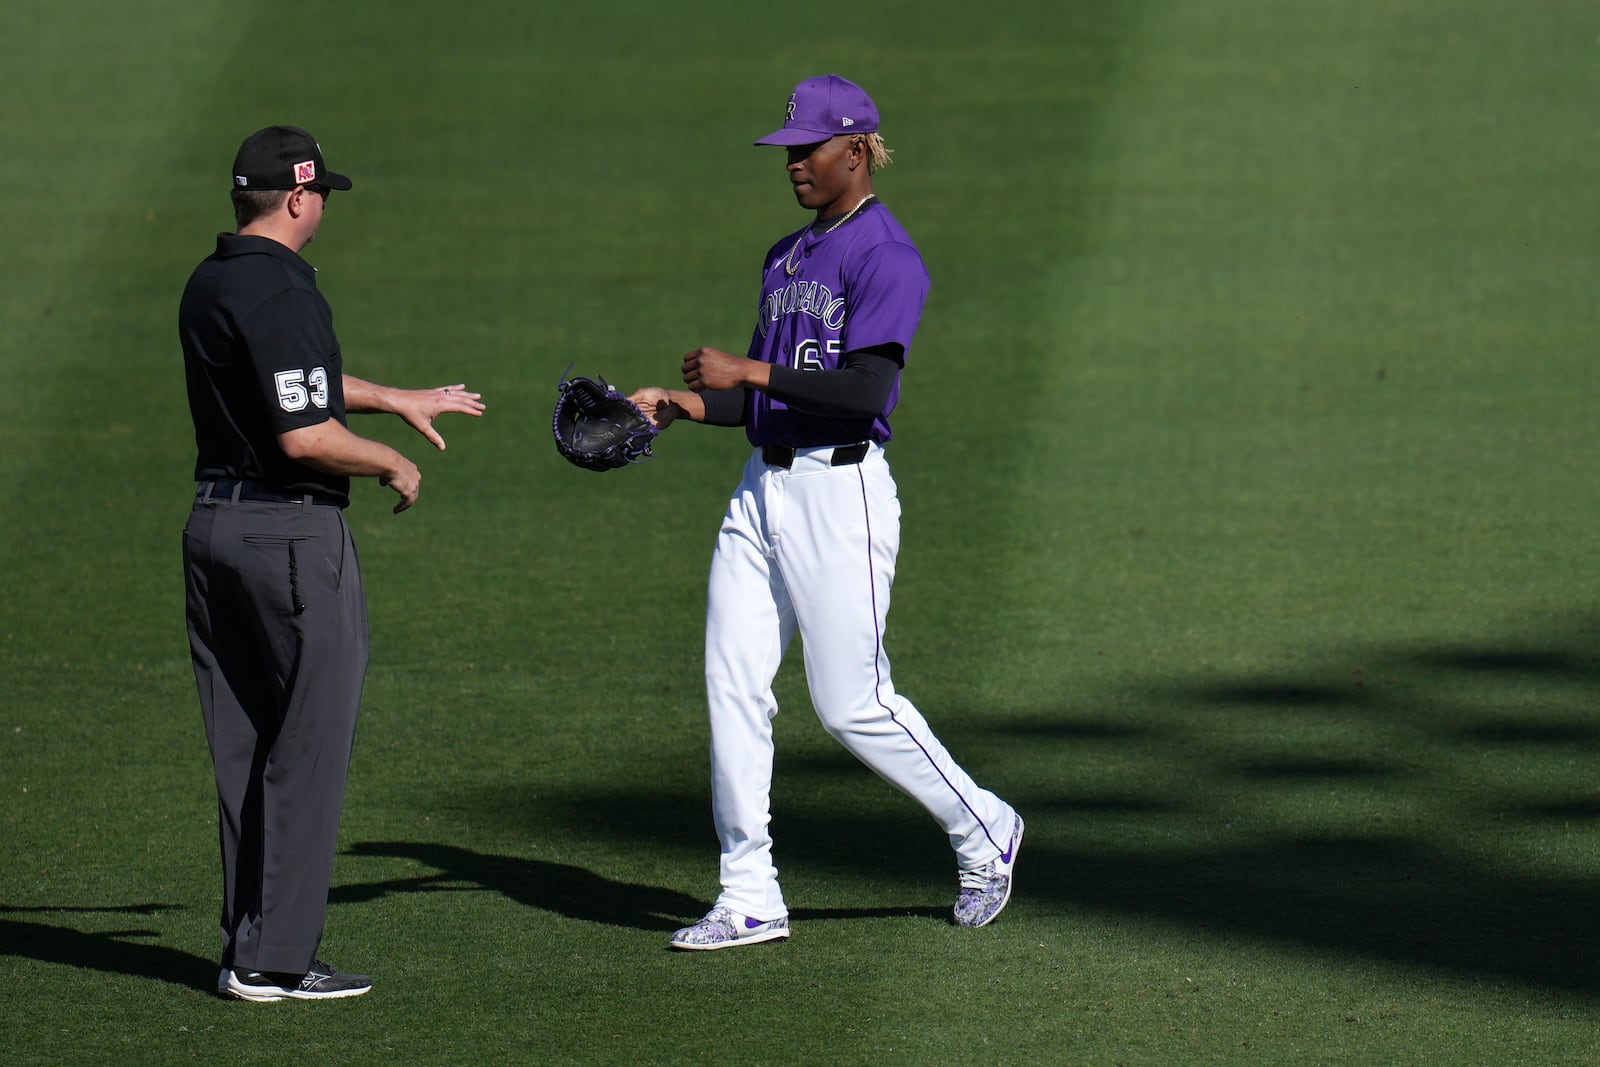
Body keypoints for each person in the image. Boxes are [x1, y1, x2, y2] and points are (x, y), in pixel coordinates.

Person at [629, 75, 1023, 951]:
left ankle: (983, 825)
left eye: (810, 150)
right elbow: (761, 402)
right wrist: (683, 404)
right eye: (789, 151)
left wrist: (749, 373)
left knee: (852, 702)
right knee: (732, 685)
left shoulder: (886, 256)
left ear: (858, 149)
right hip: (759, 494)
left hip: (839, 493)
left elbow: (865, 391)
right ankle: (750, 893)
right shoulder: (786, 256)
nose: (796, 164)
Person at [178, 125, 485, 999]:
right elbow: (304, 431)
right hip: (289, 539)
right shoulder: (285, 288)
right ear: (302, 198)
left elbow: (285, 381)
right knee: (308, 744)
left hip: (212, 531)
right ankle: (277, 958)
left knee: (244, 745)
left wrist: (390, 397)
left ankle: (247, 947)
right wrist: (390, 458)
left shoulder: (214, 279)